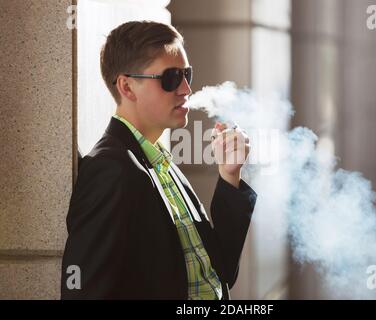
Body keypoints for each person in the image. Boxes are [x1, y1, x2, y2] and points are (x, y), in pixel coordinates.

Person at [60, 20, 257, 300]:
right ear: (127, 87)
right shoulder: (111, 170)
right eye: (171, 77)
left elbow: (220, 271)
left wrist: (229, 175)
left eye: (187, 74)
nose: (186, 88)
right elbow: (83, 290)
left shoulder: (161, 162)